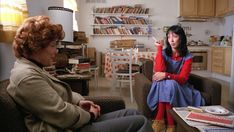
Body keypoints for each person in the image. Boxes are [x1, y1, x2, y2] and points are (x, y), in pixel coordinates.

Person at [7, 15, 153, 132]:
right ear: (35, 47)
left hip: (71, 123)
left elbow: (59, 96)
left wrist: (79, 101)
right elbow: (61, 114)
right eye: (52, 46)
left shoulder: (33, 67)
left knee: (133, 114)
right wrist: (89, 115)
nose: (56, 51)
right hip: (64, 127)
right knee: (141, 122)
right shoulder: (26, 77)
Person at [147, 25, 205, 132]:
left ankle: (160, 120)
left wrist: (166, 75)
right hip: (163, 84)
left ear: (181, 38)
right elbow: (159, 70)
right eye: (168, 37)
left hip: (179, 85)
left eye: (174, 36)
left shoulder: (187, 56)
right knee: (164, 82)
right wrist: (159, 49)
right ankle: (170, 124)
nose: (171, 40)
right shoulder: (164, 53)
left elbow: (182, 79)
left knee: (169, 83)